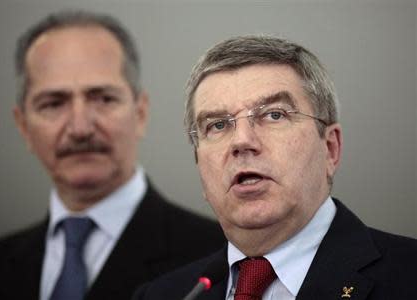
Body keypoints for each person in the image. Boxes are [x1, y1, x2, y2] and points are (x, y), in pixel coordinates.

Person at [132, 35, 417, 300]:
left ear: (330, 148)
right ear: (199, 165)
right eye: (217, 125)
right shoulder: (161, 295)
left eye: (274, 115)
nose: (241, 141)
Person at [0, 10, 224, 300]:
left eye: (103, 98)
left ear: (140, 113)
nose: (80, 128)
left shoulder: (222, 260)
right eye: (53, 103)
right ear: (24, 127)